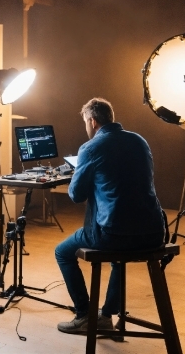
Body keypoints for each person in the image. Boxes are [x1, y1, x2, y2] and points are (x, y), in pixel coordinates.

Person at [55, 97, 165, 334]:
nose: (86, 127)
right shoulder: (139, 141)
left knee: (62, 252)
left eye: (86, 122)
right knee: (119, 259)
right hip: (155, 234)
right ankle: (106, 315)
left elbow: (76, 195)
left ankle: (85, 315)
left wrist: (81, 172)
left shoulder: (90, 148)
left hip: (114, 236)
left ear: (93, 121)